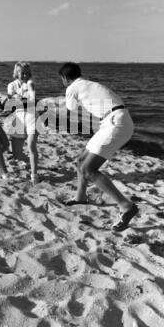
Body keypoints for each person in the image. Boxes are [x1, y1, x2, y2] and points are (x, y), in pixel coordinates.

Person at [59, 62, 138, 232]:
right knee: (80, 160)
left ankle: (127, 206)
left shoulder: (72, 88)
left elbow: (70, 109)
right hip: (113, 120)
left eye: (62, 80)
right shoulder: (90, 84)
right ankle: (80, 197)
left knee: (88, 169)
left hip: (115, 123)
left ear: (65, 78)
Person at [5, 62, 39, 184]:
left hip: (32, 117)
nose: (25, 75)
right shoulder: (11, 85)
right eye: (22, 73)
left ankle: (34, 175)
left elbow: (32, 99)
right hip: (18, 118)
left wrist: (23, 98)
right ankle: (30, 162)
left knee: (31, 146)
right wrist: (19, 99)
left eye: (27, 73)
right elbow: (12, 100)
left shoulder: (30, 83)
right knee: (17, 155)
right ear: (16, 73)